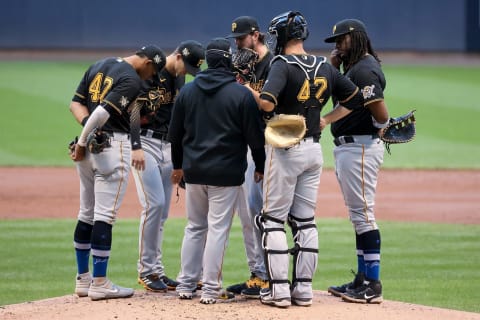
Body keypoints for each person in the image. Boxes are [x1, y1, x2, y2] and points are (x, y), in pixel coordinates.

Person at [246, 11, 364, 308]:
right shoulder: (325, 64)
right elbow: (355, 99)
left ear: (284, 36)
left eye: (275, 34)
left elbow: (267, 103)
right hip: (314, 150)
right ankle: (303, 290)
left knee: (272, 220)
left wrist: (248, 89)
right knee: (305, 221)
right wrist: (325, 120)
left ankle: (279, 291)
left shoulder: (281, 64)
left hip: (285, 150)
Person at [168, 38, 266, 305]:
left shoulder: (187, 92)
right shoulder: (241, 94)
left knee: (194, 227)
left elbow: (174, 136)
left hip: (194, 172)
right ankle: (210, 289)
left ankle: (186, 284)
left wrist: (178, 167)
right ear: (228, 60)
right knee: (218, 229)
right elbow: (255, 138)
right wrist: (260, 165)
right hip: (227, 174)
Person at [69, 45, 166, 300]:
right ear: (147, 63)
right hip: (111, 147)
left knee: (86, 213)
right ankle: (100, 282)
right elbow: (102, 113)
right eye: (152, 72)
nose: (150, 79)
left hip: (92, 146)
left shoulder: (98, 65)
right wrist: (82, 141)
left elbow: (76, 104)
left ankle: (83, 279)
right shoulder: (131, 79)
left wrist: (86, 135)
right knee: (104, 216)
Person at [322, 18, 389, 304]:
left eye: (343, 39)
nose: (338, 45)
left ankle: (372, 284)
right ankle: (362, 278)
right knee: (358, 216)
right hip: (351, 148)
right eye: (336, 41)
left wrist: (326, 121)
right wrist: (333, 66)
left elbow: (382, 114)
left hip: (360, 148)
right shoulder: (354, 67)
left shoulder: (364, 69)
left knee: (364, 215)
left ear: (358, 38)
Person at [133, 40, 205, 293]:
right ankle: (145, 269)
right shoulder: (151, 73)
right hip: (145, 143)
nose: (187, 72)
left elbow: (177, 121)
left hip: (167, 146)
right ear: (177, 56)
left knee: (162, 212)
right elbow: (133, 109)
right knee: (153, 205)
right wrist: (134, 145)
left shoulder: (179, 80)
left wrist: (181, 157)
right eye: (187, 66)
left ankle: (157, 270)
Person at [224, 15, 274, 299]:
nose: (238, 44)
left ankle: (271, 275)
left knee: (263, 212)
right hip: (246, 144)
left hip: (267, 146)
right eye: (235, 40)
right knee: (248, 213)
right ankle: (257, 273)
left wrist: (243, 87)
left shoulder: (274, 65)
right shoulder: (245, 65)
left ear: (256, 36)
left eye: (241, 38)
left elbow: (268, 105)